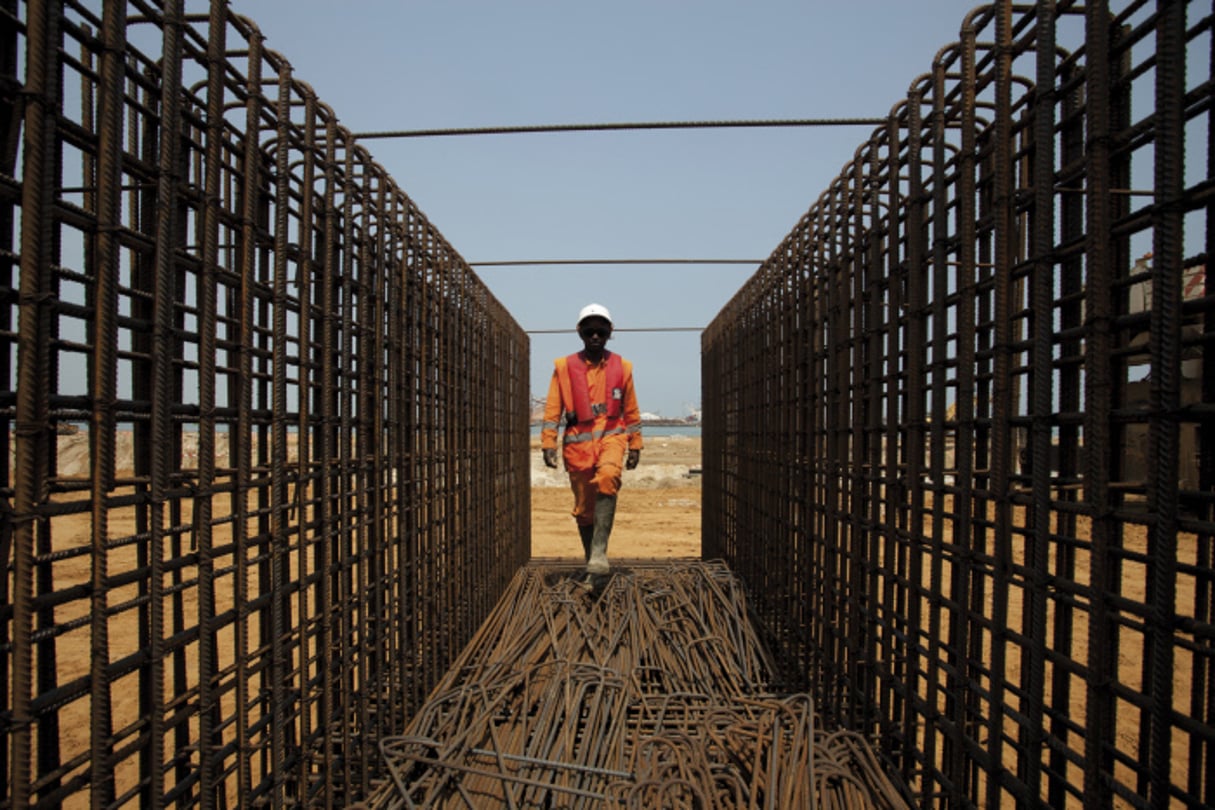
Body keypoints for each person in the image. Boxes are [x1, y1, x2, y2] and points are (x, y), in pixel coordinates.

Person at [541, 303, 643, 579]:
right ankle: (593, 563)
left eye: (601, 330)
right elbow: (552, 410)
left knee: (609, 475)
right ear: (580, 332)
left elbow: (631, 410)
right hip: (577, 443)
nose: (595, 335)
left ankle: (599, 552)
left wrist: (635, 444)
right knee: (585, 509)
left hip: (612, 434)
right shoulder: (563, 368)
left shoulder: (623, 367)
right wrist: (548, 442)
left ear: (610, 332)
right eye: (590, 330)